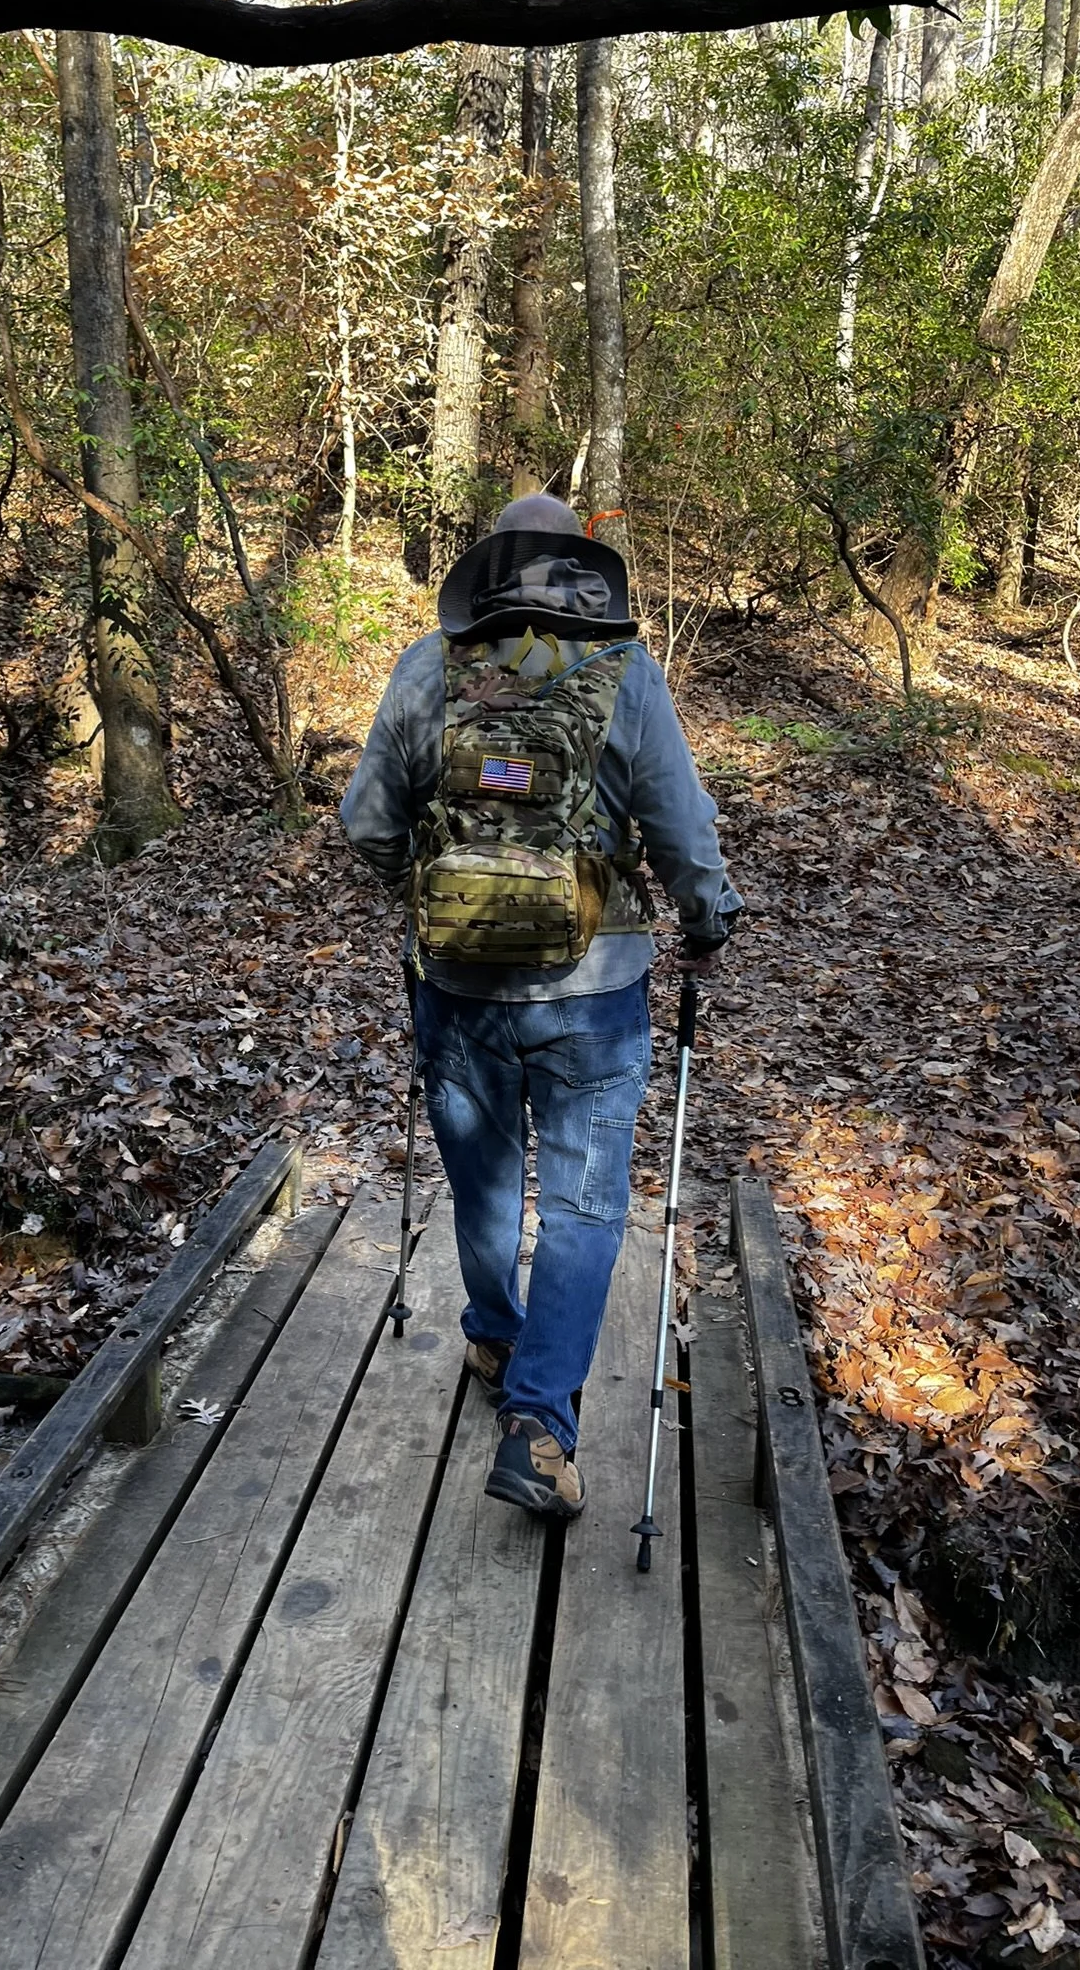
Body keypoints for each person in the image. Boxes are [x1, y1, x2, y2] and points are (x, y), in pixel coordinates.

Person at [341, 493, 741, 1519]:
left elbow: (366, 823)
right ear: (580, 573)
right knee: (582, 1204)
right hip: (594, 992)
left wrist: (427, 889)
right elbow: (683, 830)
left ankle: (493, 1329)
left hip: (457, 983)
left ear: (489, 572)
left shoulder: (430, 665)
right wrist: (708, 917)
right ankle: (539, 1428)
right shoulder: (627, 673)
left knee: (481, 1177)